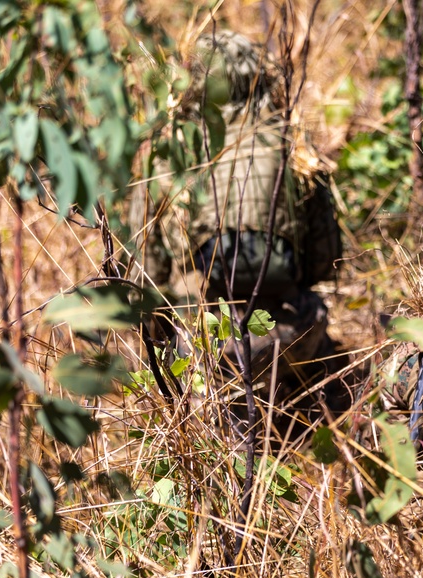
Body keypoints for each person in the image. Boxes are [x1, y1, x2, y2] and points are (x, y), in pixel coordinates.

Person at [132, 30, 341, 396]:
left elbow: (145, 279)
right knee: (321, 330)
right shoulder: (294, 149)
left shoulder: (169, 153)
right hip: (288, 338)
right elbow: (325, 263)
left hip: (199, 348)